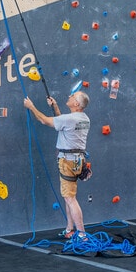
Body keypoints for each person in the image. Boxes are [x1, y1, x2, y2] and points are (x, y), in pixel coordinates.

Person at [24, 92, 90, 239]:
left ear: (77, 104)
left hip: (67, 161)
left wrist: (31, 107)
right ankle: (69, 229)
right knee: (70, 196)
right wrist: (55, 106)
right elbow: (62, 122)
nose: (70, 96)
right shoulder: (83, 118)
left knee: (70, 199)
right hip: (77, 161)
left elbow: (44, 120)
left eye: (73, 97)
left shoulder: (71, 119)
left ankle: (82, 235)